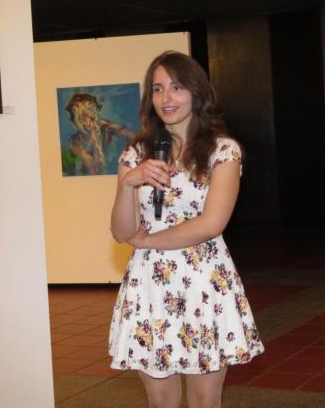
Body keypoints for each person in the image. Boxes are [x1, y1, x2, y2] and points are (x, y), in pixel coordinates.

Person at [108, 50, 264, 408]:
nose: (166, 98)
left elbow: (211, 223)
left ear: (196, 92)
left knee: (204, 399)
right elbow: (121, 231)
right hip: (149, 284)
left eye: (176, 87)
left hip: (203, 282)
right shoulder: (136, 153)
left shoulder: (222, 151)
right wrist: (128, 184)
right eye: (158, 89)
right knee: (159, 400)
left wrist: (147, 240)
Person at [63, 92, 135, 175]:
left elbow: (135, 137)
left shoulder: (107, 127)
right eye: (81, 117)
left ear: (98, 112)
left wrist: (112, 125)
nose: (88, 121)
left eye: (92, 112)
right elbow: (96, 171)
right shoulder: (75, 142)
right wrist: (95, 137)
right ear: (75, 124)